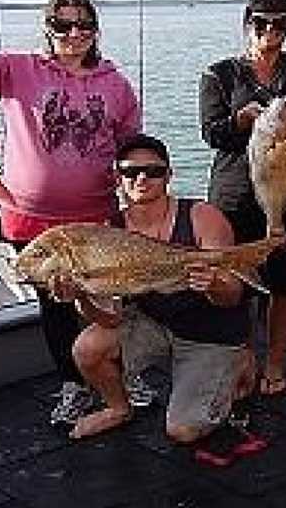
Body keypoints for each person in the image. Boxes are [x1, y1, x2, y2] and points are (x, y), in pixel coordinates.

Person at [0, 0, 141, 425]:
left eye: (84, 25)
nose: (74, 34)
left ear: (96, 30)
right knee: (54, 306)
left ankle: (120, 375)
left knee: (105, 301)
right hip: (30, 218)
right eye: (63, 25)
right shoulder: (18, 69)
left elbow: (130, 149)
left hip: (96, 217)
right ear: (47, 28)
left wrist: (140, 200)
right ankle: (72, 384)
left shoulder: (117, 85)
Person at [69, 133, 256, 442]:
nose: (142, 178)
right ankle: (118, 408)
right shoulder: (109, 232)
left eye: (154, 171)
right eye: (130, 172)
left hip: (211, 333)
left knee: (183, 431)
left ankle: (238, 361)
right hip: (156, 323)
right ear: (118, 178)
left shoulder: (202, 217)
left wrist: (213, 285)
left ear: (169, 175)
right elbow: (111, 317)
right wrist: (80, 296)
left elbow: (234, 294)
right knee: (88, 348)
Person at [200, 0, 286, 398]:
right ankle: (242, 357)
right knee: (236, 282)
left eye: (281, 24)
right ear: (246, 23)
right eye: (261, 23)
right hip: (236, 194)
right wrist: (240, 120)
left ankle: (276, 362)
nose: (271, 31)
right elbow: (211, 132)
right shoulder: (220, 74)